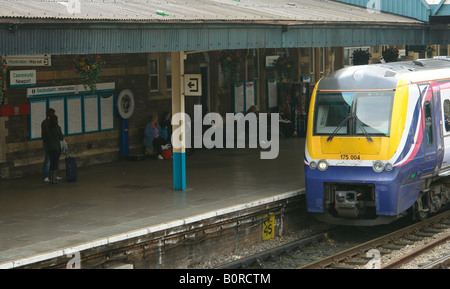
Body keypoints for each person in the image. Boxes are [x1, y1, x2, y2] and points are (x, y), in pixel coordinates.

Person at [42, 114, 63, 184]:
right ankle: (54, 178)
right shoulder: (58, 127)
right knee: (55, 162)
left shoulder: (46, 128)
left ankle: (51, 178)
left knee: (51, 161)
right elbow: (61, 137)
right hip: (57, 148)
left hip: (49, 147)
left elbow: (44, 138)